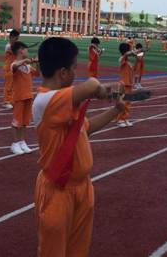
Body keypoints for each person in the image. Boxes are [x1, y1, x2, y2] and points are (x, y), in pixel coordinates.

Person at [33, 37, 125, 257]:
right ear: (63, 72)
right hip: (58, 190)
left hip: (82, 187)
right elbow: (91, 85)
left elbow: (87, 128)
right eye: (75, 68)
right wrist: (100, 90)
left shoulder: (64, 103)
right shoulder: (45, 101)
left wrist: (115, 110)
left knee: (78, 249)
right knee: (53, 251)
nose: (76, 73)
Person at [10, 41, 38, 155]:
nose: (27, 51)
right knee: (17, 122)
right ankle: (15, 143)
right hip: (19, 97)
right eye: (26, 49)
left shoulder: (28, 66)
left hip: (28, 96)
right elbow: (15, 66)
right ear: (20, 50)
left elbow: (38, 74)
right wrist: (26, 60)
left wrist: (38, 62)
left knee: (25, 122)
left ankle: (22, 141)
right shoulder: (14, 64)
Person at [117, 42, 136, 127]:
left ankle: (125, 118)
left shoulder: (127, 61)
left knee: (128, 103)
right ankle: (120, 119)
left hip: (129, 84)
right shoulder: (122, 59)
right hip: (124, 84)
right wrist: (133, 52)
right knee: (123, 102)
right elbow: (127, 54)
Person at [2, 29, 20, 109]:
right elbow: (15, 52)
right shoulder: (8, 46)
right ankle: (6, 102)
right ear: (12, 37)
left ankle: (11, 100)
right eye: (16, 38)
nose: (17, 40)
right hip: (8, 68)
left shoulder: (13, 46)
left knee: (13, 85)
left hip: (13, 67)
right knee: (8, 86)